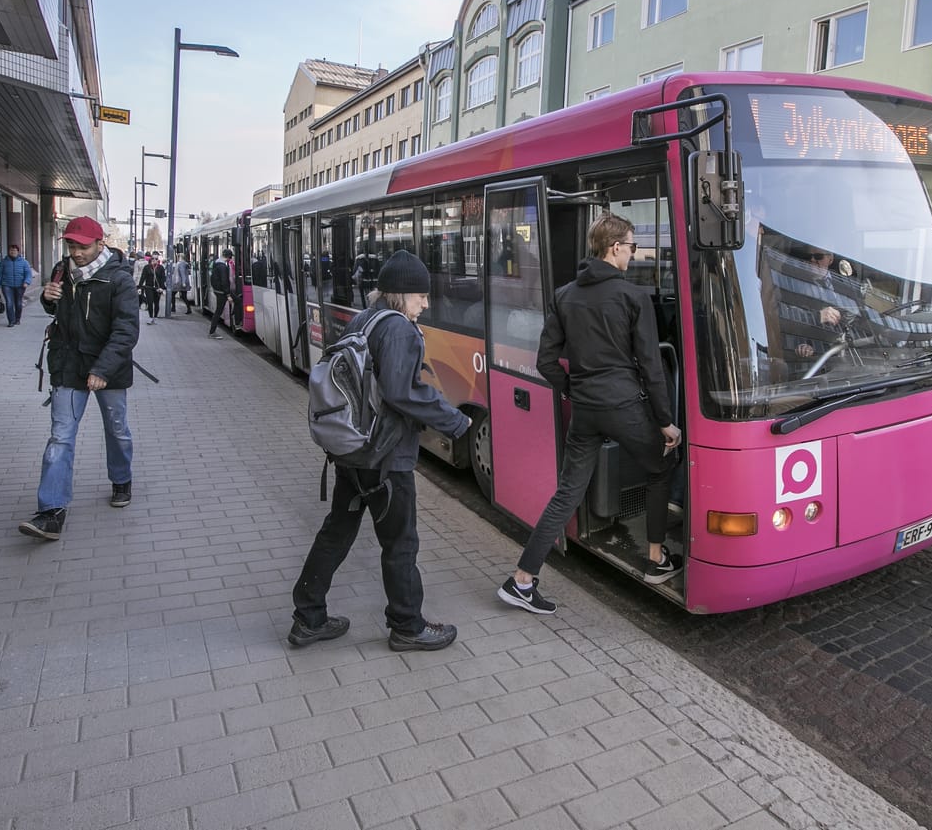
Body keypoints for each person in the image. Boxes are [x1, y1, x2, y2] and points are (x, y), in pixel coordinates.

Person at [497, 213, 682, 616]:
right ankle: (656, 557)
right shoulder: (634, 297)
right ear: (615, 248)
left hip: (584, 409)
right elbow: (651, 365)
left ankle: (522, 580)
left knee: (567, 492)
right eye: (632, 247)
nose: (634, 255)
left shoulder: (565, 295)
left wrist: (573, 390)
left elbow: (546, 362)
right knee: (662, 465)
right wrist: (666, 421)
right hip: (623, 406)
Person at [289, 250, 471, 652]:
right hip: (385, 457)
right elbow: (403, 392)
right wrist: (455, 422)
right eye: (421, 296)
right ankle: (407, 624)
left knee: (337, 531)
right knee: (401, 542)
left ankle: (308, 617)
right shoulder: (400, 330)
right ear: (402, 295)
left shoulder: (363, 318)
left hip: (352, 450)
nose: (426, 303)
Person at [19, 217, 139, 541]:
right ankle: (51, 512)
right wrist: (48, 297)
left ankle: (121, 479)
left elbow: (126, 331)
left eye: (82, 246)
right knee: (60, 438)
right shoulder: (63, 270)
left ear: (100, 243)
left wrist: (102, 370)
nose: (76, 252)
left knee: (117, 431)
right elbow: (54, 311)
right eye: (71, 245)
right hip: (68, 367)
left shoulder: (119, 279)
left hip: (108, 371)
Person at [0, 244, 33, 327]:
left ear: (18, 252)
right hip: (7, 285)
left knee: (18, 303)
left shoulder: (24, 262)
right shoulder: (4, 262)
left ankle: (17, 319)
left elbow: (28, 273)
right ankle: (11, 321)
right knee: (9, 303)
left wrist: (26, 282)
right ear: (9, 251)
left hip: (20, 285)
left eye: (15, 250)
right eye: (11, 250)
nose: (13, 252)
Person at [208, 249, 233, 338]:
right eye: (229, 258)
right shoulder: (223, 267)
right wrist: (228, 295)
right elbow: (224, 281)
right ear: (228, 257)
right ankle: (212, 332)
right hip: (222, 292)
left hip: (218, 290)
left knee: (219, 311)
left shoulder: (216, 263)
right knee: (218, 311)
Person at [138, 255, 165, 325]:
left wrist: (161, 288)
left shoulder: (161, 268)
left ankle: (155, 317)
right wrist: (140, 287)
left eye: (156, 259)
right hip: (148, 287)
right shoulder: (147, 267)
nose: (154, 260)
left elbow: (163, 278)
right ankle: (150, 317)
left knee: (156, 303)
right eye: (153, 259)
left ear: (158, 260)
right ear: (150, 260)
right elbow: (143, 277)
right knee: (150, 302)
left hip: (157, 288)